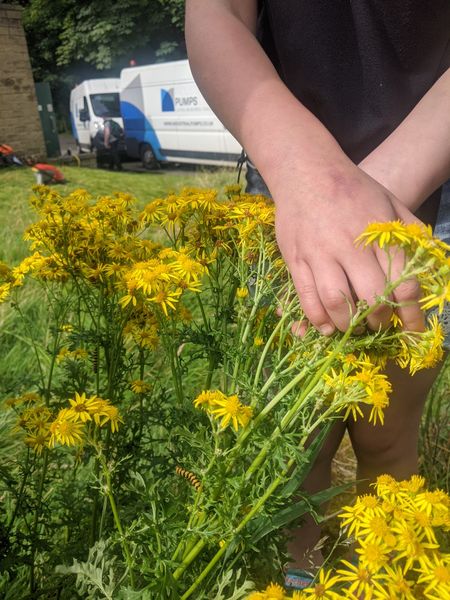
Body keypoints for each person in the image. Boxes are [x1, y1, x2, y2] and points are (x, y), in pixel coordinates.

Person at [185, 0, 450, 589]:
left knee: (387, 434)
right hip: (288, 173)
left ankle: (382, 581)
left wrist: (364, 200)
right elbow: (214, 13)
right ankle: (294, 584)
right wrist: (313, 177)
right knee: (294, 441)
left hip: (430, 178)